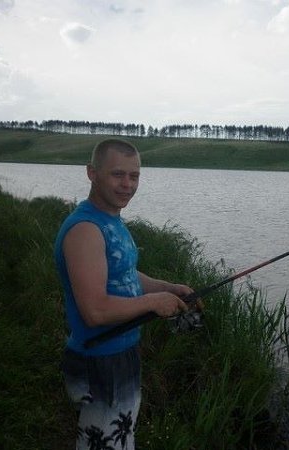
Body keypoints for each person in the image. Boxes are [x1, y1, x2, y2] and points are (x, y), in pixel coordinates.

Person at [54, 138, 193, 449]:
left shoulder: (111, 220)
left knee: (120, 436)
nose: (128, 185)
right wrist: (153, 303)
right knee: (104, 442)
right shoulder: (86, 230)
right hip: (100, 359)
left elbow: (124, 275)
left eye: (134, 176)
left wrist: (168, 288)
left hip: (120, 354)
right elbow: (95, 311)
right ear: (92, 173)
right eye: (118, 174)